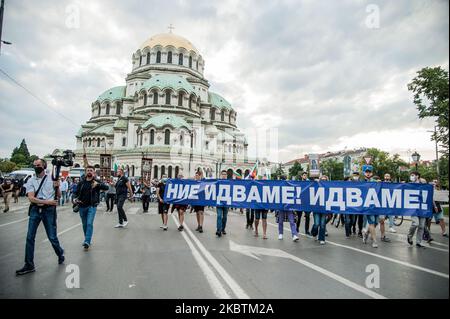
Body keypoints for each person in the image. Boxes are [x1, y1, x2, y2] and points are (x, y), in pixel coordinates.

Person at [15, 159, 65, 275]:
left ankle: (60, 253)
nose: (36, 167)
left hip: (49, 211)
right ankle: (29, 264)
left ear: (44, 166)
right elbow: (31, 198)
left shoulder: (52, 178)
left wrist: (57, 187)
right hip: (35, 209)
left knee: (52, 237)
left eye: (39, 165)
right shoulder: (31, 180)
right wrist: (48, 202)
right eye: (35, 165)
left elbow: (59, 195)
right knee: (30, 237)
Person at [73, 165, 108, 250]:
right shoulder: (81, 182)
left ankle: (87, 241)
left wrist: (98, 184)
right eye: (88, 170)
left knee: (89, 223)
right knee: (85, 225)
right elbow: (75, 193)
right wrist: (74, 199)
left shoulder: (96, 181)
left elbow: (106, 187)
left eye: (91, 170)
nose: (89, 172)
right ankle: (87, 239)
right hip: (81, 206)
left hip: (91, 206)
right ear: (86, 172)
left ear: (94, 172)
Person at [407, 172, 427, 248]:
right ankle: (409, 236)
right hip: (413, 207)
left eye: (413, 175)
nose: (411, 177)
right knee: (415, 223)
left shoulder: (423, 182)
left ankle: (418, 242)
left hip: (422, 207)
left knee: (421, 226)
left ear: (417, 176)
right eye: (411, 175)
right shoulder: (409, 184)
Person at [277, 175, 299, 242]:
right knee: (280, 221)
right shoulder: (278, 187)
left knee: (292, 221)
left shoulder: (289, 185)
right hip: (281, 206)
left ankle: (294, 235)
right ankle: (280, 233)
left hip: (289, 206)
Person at [296, 171, 311, 236]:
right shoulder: (299, 183)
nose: (305, 176)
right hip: (300, 202)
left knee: (307, 216)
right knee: (299, 216)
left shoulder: (309, 183)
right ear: (302, 176)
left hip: (307, 202)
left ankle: (307, 230)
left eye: (306, 175)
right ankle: (297, 228)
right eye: (304, 175)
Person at [216, 170, 229, 237]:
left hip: (226, 203)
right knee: (219, 216)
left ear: (226, 175)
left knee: (225, 217)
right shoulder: (218, 182)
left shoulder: (229, 182)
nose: (224, 175)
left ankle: (223, 229)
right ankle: (219, 230)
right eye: (223, 174)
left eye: (225, 174)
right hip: (219, 202)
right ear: (221, 175)